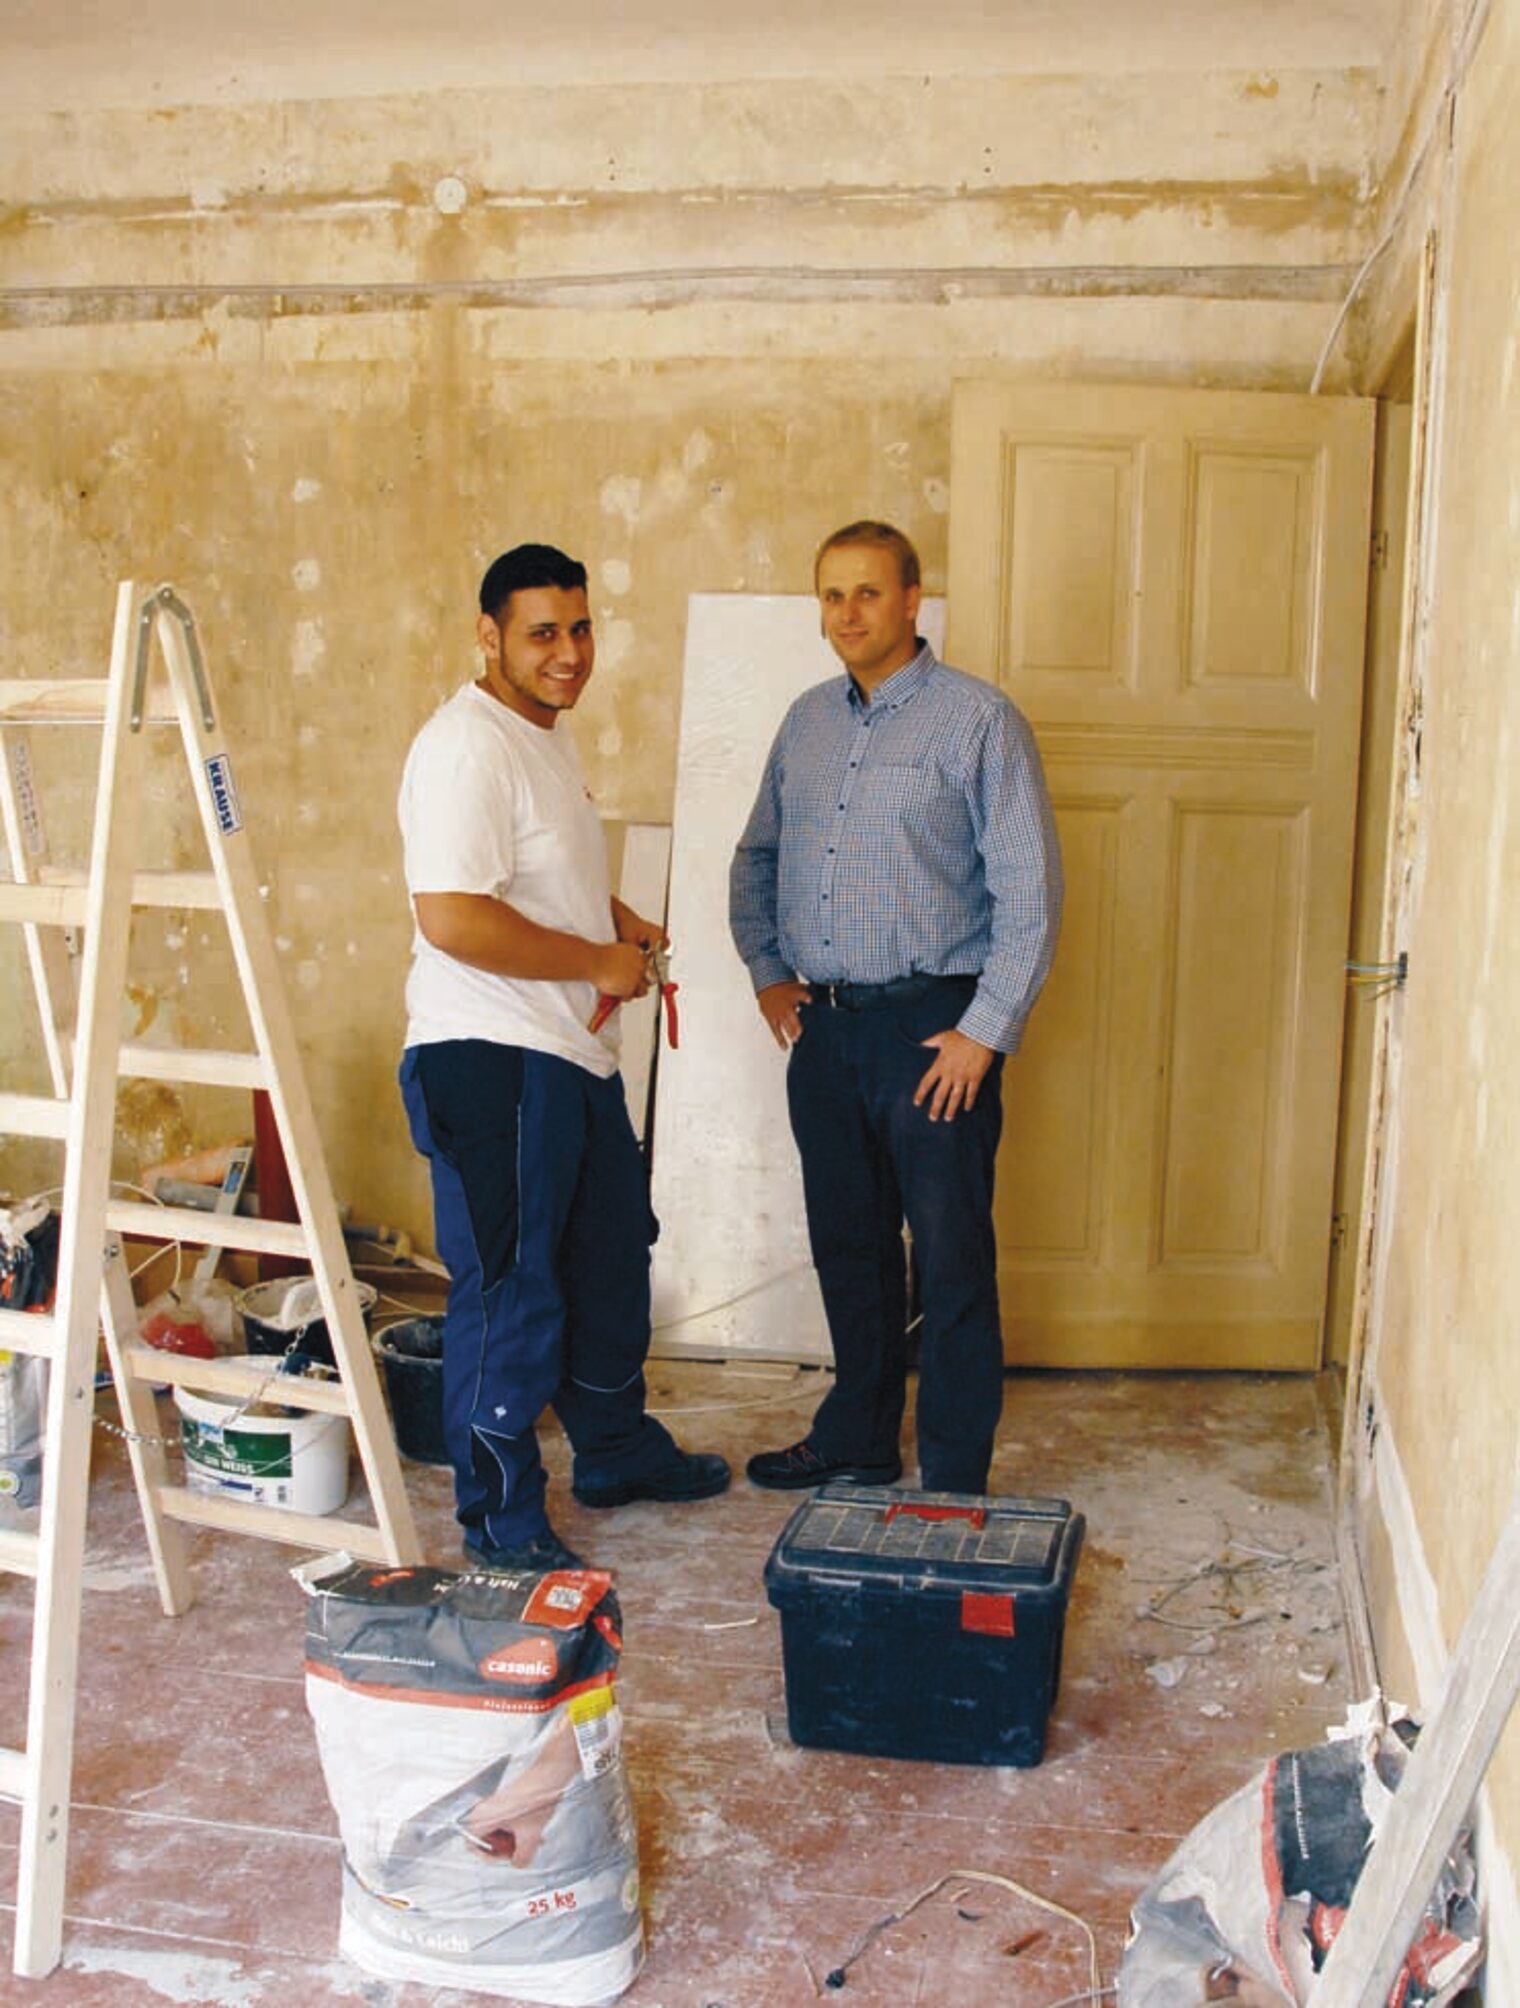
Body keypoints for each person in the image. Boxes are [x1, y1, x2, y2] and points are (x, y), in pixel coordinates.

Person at [398, 542, 729, 1573]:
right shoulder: (467, 745)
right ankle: (498, 1521)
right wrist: (593, 955)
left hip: (567, 1061)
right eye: (542, 632)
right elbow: (450, 916)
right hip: (493, 1060)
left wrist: (614, 920)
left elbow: (529, 886)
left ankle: (615, 1452)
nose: (569, 653)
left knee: (605, 1263)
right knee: (511, 1291)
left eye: (580, 629)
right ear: (488, 635)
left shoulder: (538, 739)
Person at [729, 520, 1061, 1497]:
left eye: (866, 593)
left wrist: (982, 1032)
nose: (845, 613)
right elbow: (756, 855)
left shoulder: (975, 722)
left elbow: (1029, 892)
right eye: (830, 594)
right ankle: (859, 1437)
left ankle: (953, 1473)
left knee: (950, 1261)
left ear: (912, 602)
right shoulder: (806, 723)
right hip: (825, 1033)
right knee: (851, 1248)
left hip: (932, 1034)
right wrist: (766, 971)